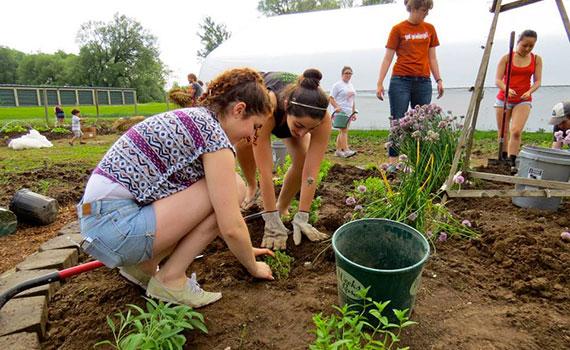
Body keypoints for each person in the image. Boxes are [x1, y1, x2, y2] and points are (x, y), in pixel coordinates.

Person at [77, 68, 275, 308]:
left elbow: (209, 215)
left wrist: (245, 248)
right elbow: (230, 224)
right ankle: (171, 279)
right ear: (239, 110)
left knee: (226, 189)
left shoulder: (196, 120)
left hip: (100, 223)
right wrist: (253, 267)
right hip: (119, 228)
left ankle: (142, 267)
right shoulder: (214, 137)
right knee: (236, 186)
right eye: (255, 126)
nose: (251, 137)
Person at [236, 69, 330, 249]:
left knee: (302, 160)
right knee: (243, 143)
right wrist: (270, 219)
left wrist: (303, 214)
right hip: (263, 109)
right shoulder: (266, 109)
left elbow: (311, 171)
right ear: (287, 106)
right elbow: (265, 170)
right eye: (300, 126)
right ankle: (251, 186)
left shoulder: (321, 117)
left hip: (290, 116)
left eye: (309, 129)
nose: (302, 134)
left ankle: (283, 206)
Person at [375, 0, 443, 166]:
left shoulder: (430, 29)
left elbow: (432, 57)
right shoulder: (398, 29)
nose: (425, 13)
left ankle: (416, 162)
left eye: (427, 10)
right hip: (401, 81)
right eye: (422, 9)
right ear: (412, 7)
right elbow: (387, 57)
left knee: (421, 123)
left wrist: (438, 79)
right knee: (398, 121)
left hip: (423, 81)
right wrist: (379, 82)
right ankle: (393, 163)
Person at [495, 29, 542, 170]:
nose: (527, 49)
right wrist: (506, 88)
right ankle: (502, 159)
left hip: (523, 99)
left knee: (515, 131)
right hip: (504, 99)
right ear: (518, 43)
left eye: (531, 46)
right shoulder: (506, 58)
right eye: (524, 45)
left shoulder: (537, 59)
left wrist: (529, 91)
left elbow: (538, 81)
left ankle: (512, 160)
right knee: (503, 131)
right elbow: (497, 80)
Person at [329, 66, 357, 158]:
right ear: (342, 74)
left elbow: (352, 99)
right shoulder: (337, 85)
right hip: (340, 112)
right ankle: (346, 150)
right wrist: (337, 107)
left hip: (349, 111)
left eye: (350, 73)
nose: (348, 75)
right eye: (346, 73)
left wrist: (353, 112)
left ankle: (338, 151)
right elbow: (331, 98)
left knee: (343, 131)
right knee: (344, 130)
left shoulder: (351, 85)